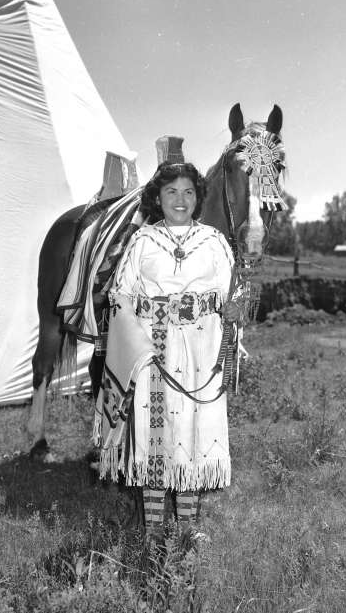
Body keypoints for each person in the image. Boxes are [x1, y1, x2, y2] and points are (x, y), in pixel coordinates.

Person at [94, 159, 239, 545]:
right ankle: (154, 527)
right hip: (154, 349)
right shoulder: (142, 241)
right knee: (156, 434)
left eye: (188, 192)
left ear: (198, 197)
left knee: (194, 430)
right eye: (171, 191)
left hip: (201, 349)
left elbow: (232, 296)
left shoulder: (214, 242)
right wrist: (136, 343)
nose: (180, 199)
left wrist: (233, 317)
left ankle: (189, 526)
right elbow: (120, 295)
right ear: (158, 197)